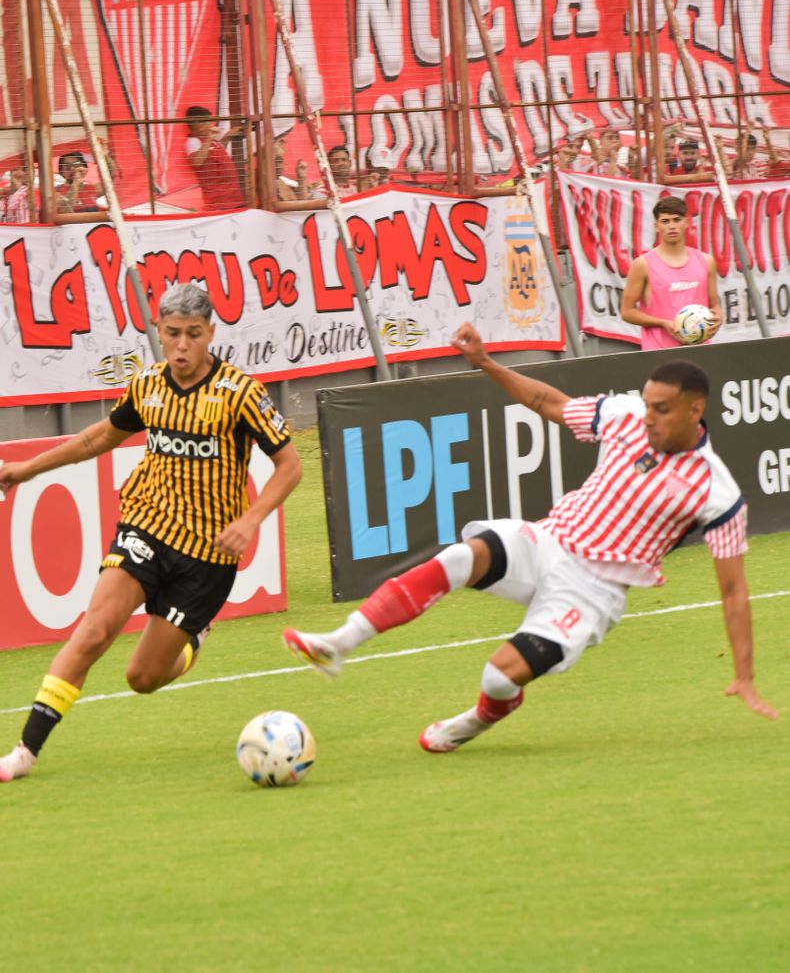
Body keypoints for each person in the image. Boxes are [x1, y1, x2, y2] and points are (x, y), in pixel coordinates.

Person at [283, 323, 776, 752]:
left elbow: (733, 591)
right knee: (461, 557)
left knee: (498, 678)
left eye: (662, 409)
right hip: (548, 540)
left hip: (593, 591)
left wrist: (745, 675)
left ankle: (474, 721)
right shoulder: (626, 414)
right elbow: (548, 402)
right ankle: (337, 644)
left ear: (695, 410)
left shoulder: (715, 489)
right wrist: (484, 362)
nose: (648, 416)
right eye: (648, 404)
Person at [0, 283, 302, 782]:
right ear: (158, 331)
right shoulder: (147, 385)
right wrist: (26, 469)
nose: (182, 345)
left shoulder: (241, 394)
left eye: (193, 334)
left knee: (142, 677)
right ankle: (25, 752)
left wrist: (250, 520)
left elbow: (290, 466)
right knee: (94, 630)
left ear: (211, 333)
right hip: (146, 527)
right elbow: (99, 437)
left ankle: (193, 638)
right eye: (173, 333)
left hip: (206, 558)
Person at [620, 196, 722, 350]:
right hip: (659, 353)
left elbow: (714, 305)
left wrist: (718, 317)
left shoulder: (706, 261)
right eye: (665, 221)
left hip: (700, 351)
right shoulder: (643, 264)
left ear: (686, 223)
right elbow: (627, 312)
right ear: (656, 226)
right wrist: (662, 323)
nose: (672, 226)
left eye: (676, 220)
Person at [184, 106, 246, 211]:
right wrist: (209, 138)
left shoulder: (211, 140)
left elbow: (217, 153)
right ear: (200, 126)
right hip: (219, 200)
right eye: (209, 122)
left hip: (232, 194)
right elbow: (197, 161)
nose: (212, 124)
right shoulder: (193, 142)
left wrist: (227, 136)